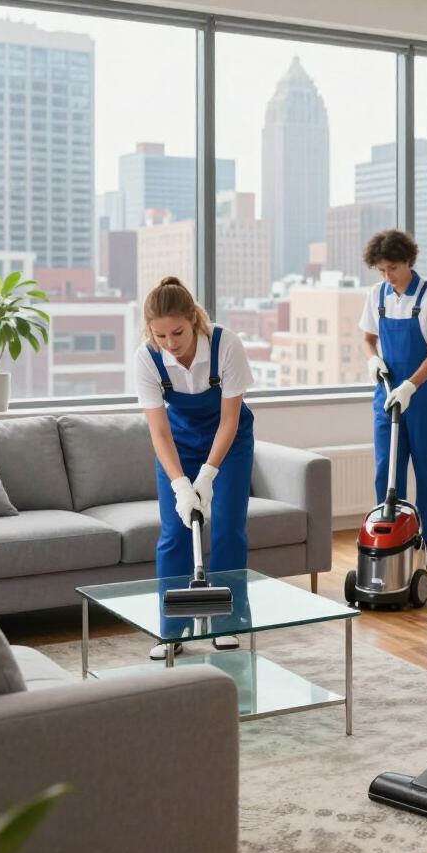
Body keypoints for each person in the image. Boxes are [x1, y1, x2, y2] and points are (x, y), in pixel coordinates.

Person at [136, 277, 255, 661]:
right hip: (179, 442)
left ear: (194, 320)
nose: (170, 343)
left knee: (227, 526)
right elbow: (158, 430)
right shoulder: (146, 358)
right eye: (160, 335)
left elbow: (229, 421)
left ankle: (228, 623)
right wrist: (182, 485)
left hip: (229, 443)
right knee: (174, 532)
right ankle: (171, 631)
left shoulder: (226, 345)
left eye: (177, 332)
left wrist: (208, 476)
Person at [360, 230, 427, 569]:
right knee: (387, 469)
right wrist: (372, 359)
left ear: (408, 261)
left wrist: (411, 386)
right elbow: (368, 339)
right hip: (387, 393)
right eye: (381, 269)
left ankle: (426, 543)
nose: (388, 275)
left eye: (393, 267)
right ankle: (393, 536)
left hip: (424, 394)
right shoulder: (377, 295)